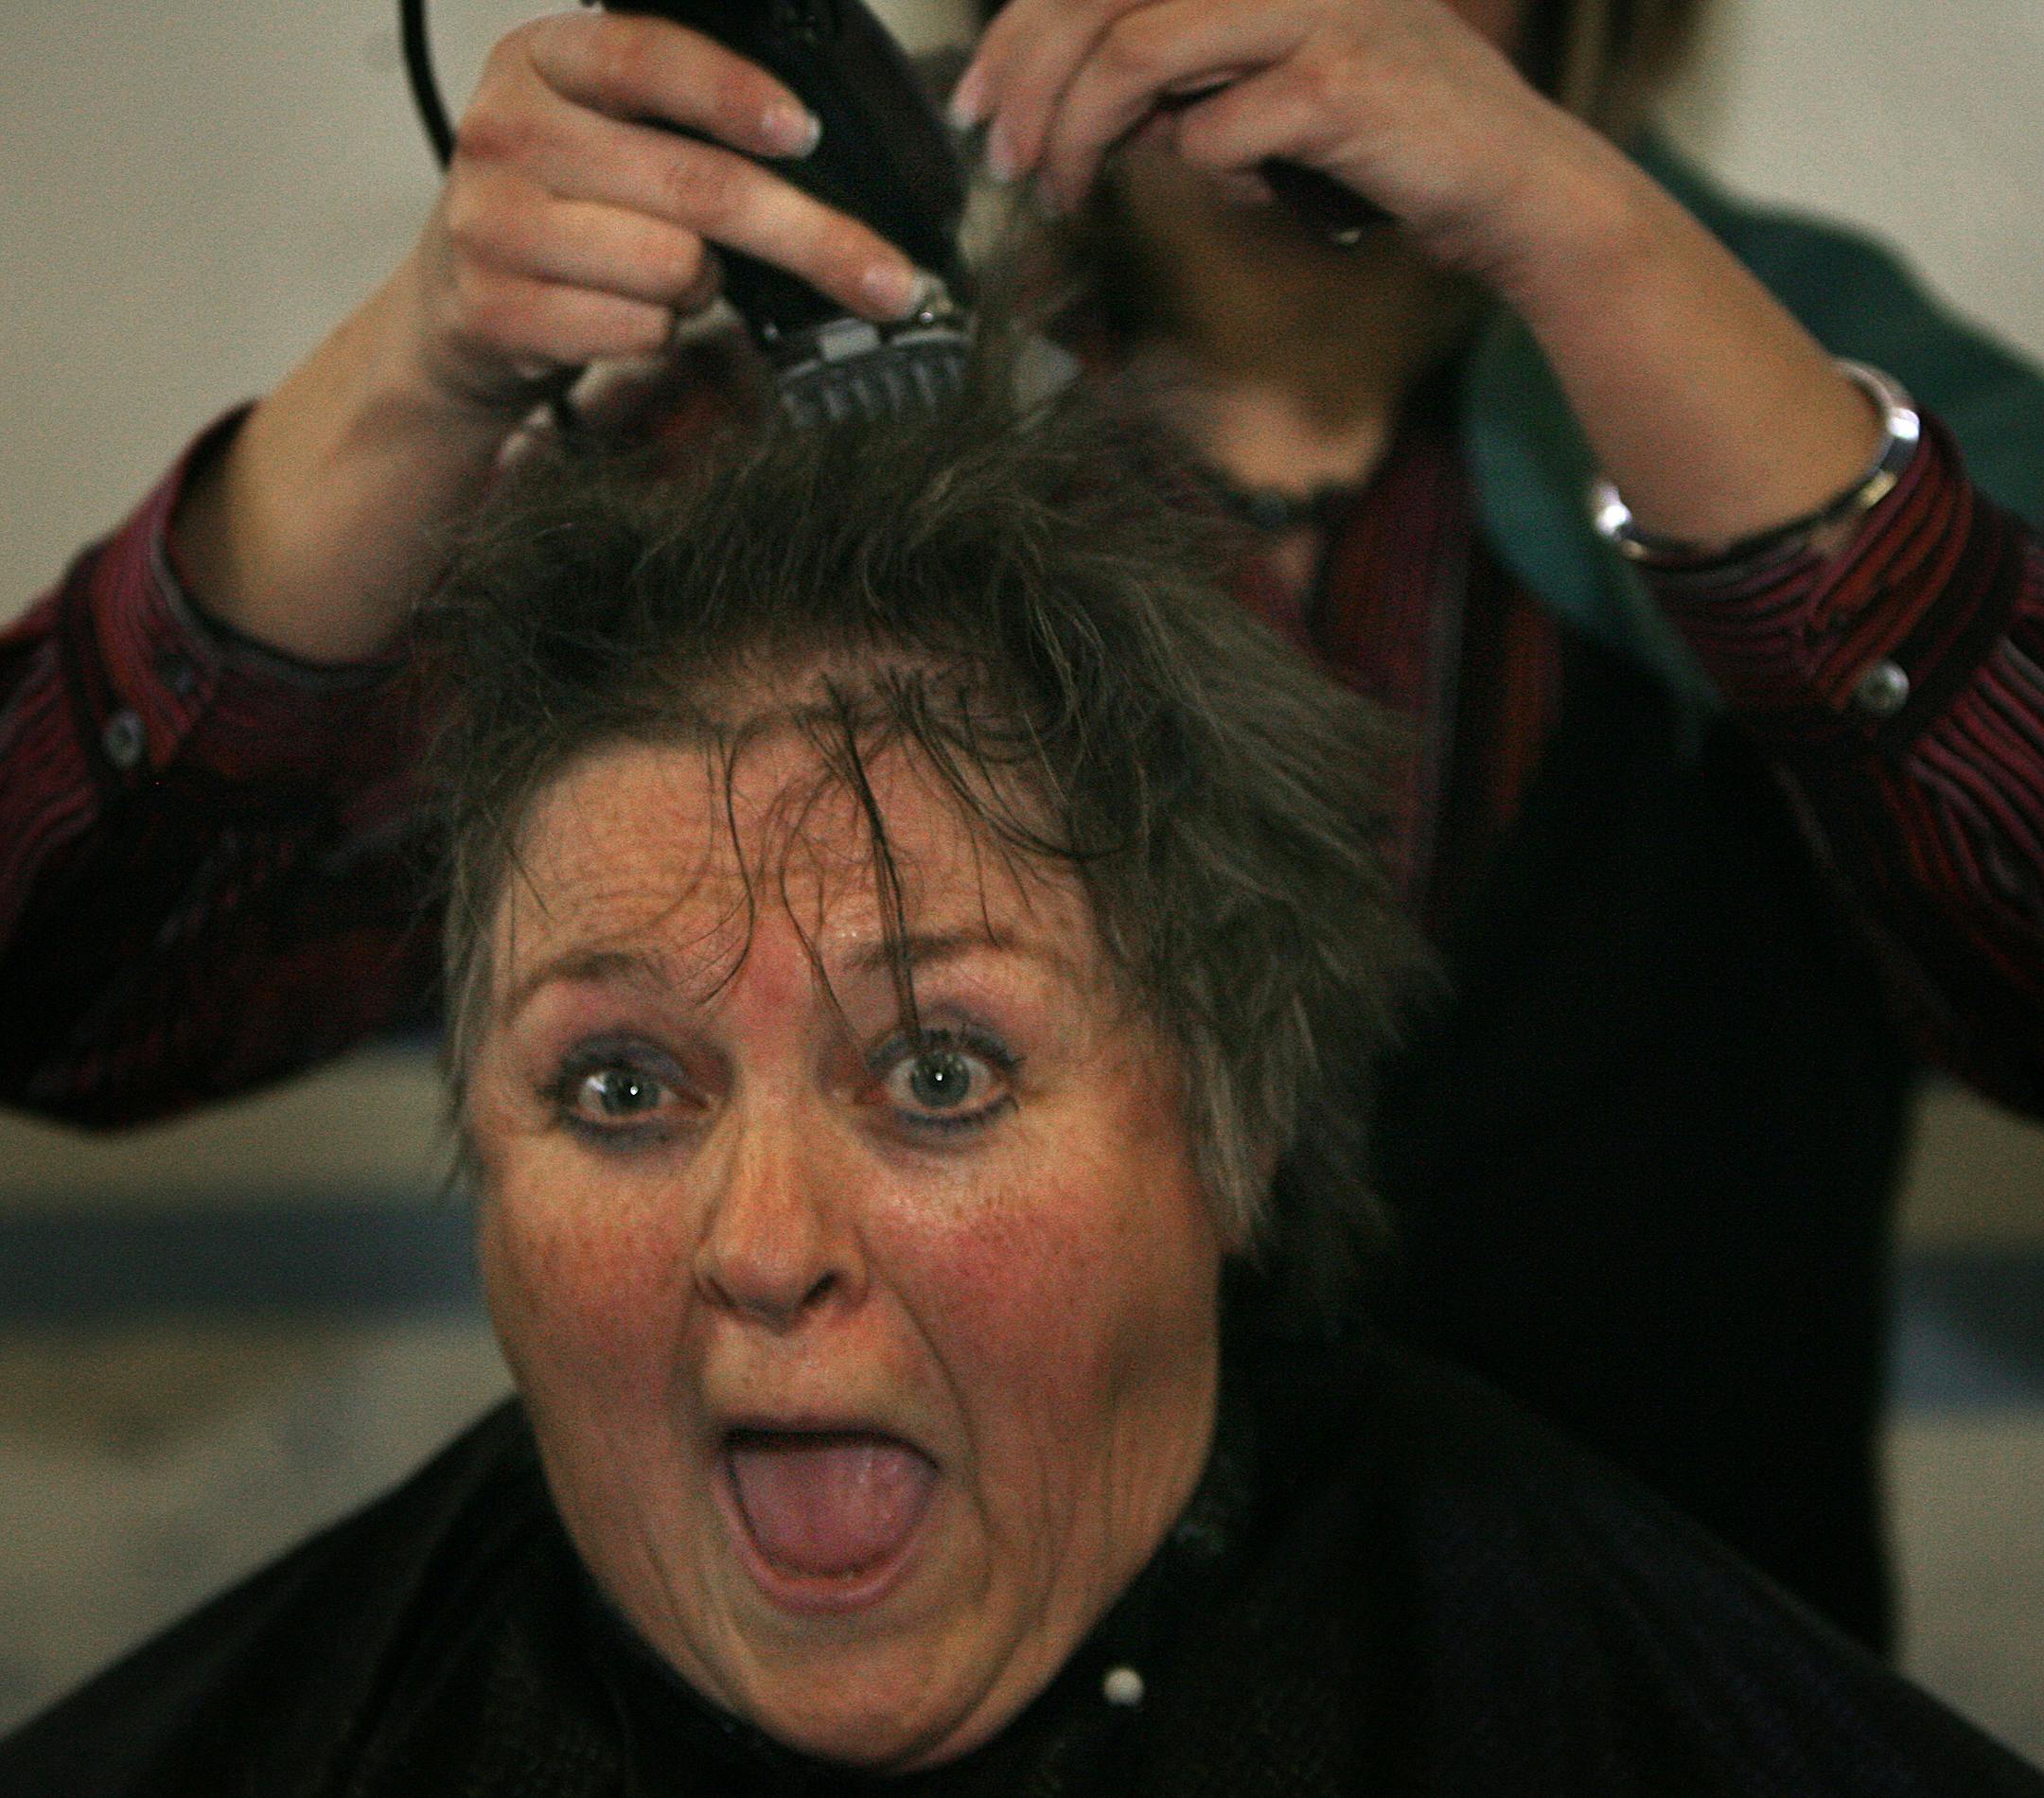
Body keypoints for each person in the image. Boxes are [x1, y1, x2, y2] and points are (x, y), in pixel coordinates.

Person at [3, 0, 2042, 1651]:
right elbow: (67, 993)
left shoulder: (1823, 401)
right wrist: (416, 373)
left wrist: (1580, 233)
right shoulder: (749, 446)